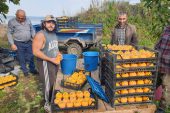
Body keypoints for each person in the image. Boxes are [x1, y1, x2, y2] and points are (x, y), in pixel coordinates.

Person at [32, 15, 62, 113]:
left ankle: (53, 98)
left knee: (53, 81)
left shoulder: (53, 34)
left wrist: (58, 54)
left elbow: (54, 47)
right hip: (46, 63)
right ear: (44, 23)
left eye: (53, 22)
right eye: (49, 22)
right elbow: (35, 51)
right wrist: (51, 59)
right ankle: (47, 103)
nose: (51, 24)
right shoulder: (40, 35)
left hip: (54, 62)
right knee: (48, 84)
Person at [7, 9, 38, 76]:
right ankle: (25, 71)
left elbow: (32, 29)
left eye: (22, 18)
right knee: (21, 58)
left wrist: (34, 37)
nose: (21, 19)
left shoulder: (28, 20)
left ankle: (32, 69)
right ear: (16, 15)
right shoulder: (11, 22)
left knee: (31, 56)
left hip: (29, 42)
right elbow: (9, 33)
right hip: (18, 43)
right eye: (19, 18)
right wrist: (12, 44)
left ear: (25, 16)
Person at [155, 25, 170, 110]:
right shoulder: (167, 29)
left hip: (168, 68)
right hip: (159, 64)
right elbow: (158, 43)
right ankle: (146, 104)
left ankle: (161, 109)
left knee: (166, 91)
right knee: (151, 85)